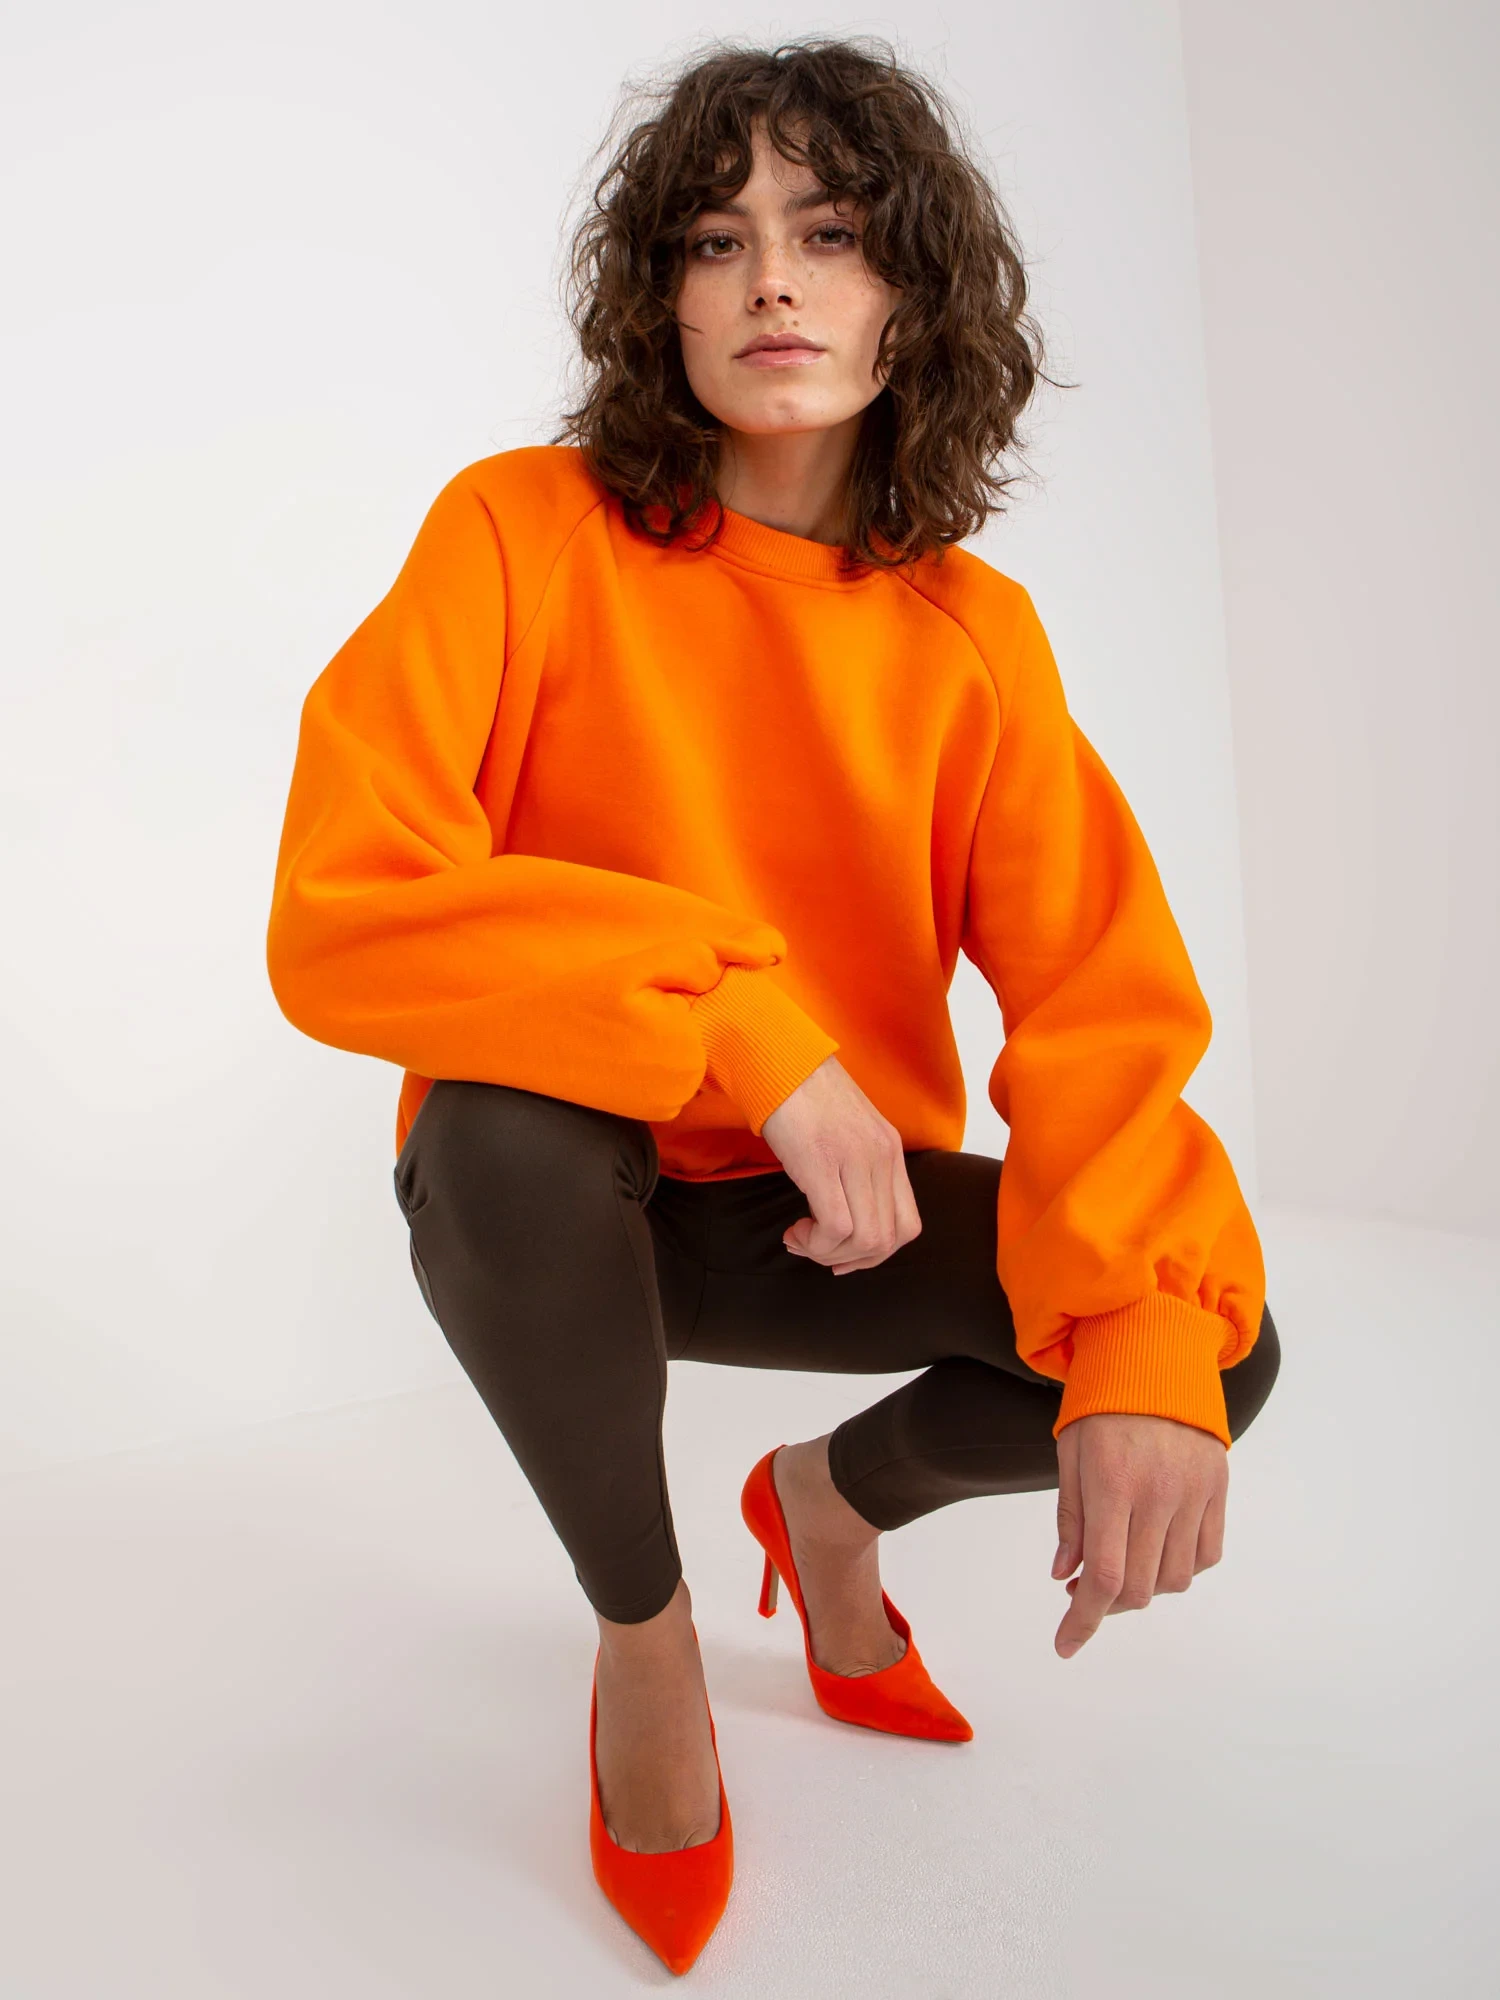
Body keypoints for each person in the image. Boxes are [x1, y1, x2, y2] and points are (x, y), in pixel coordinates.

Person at [265, 35, 1281, 1977]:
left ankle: (826, 1507)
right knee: (493, 1126)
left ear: (911, 297)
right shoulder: (519, 534)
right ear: (662, 298)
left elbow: (1098, 1001)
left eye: (829, 234)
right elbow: (344, 910)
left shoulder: (972, 639)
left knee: (1203, 1351)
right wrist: (747, 1024)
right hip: (563, 1218)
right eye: (718, 242)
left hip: (830, 1221)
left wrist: (1144, 1331)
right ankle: (646, 1634)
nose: (774, 285)